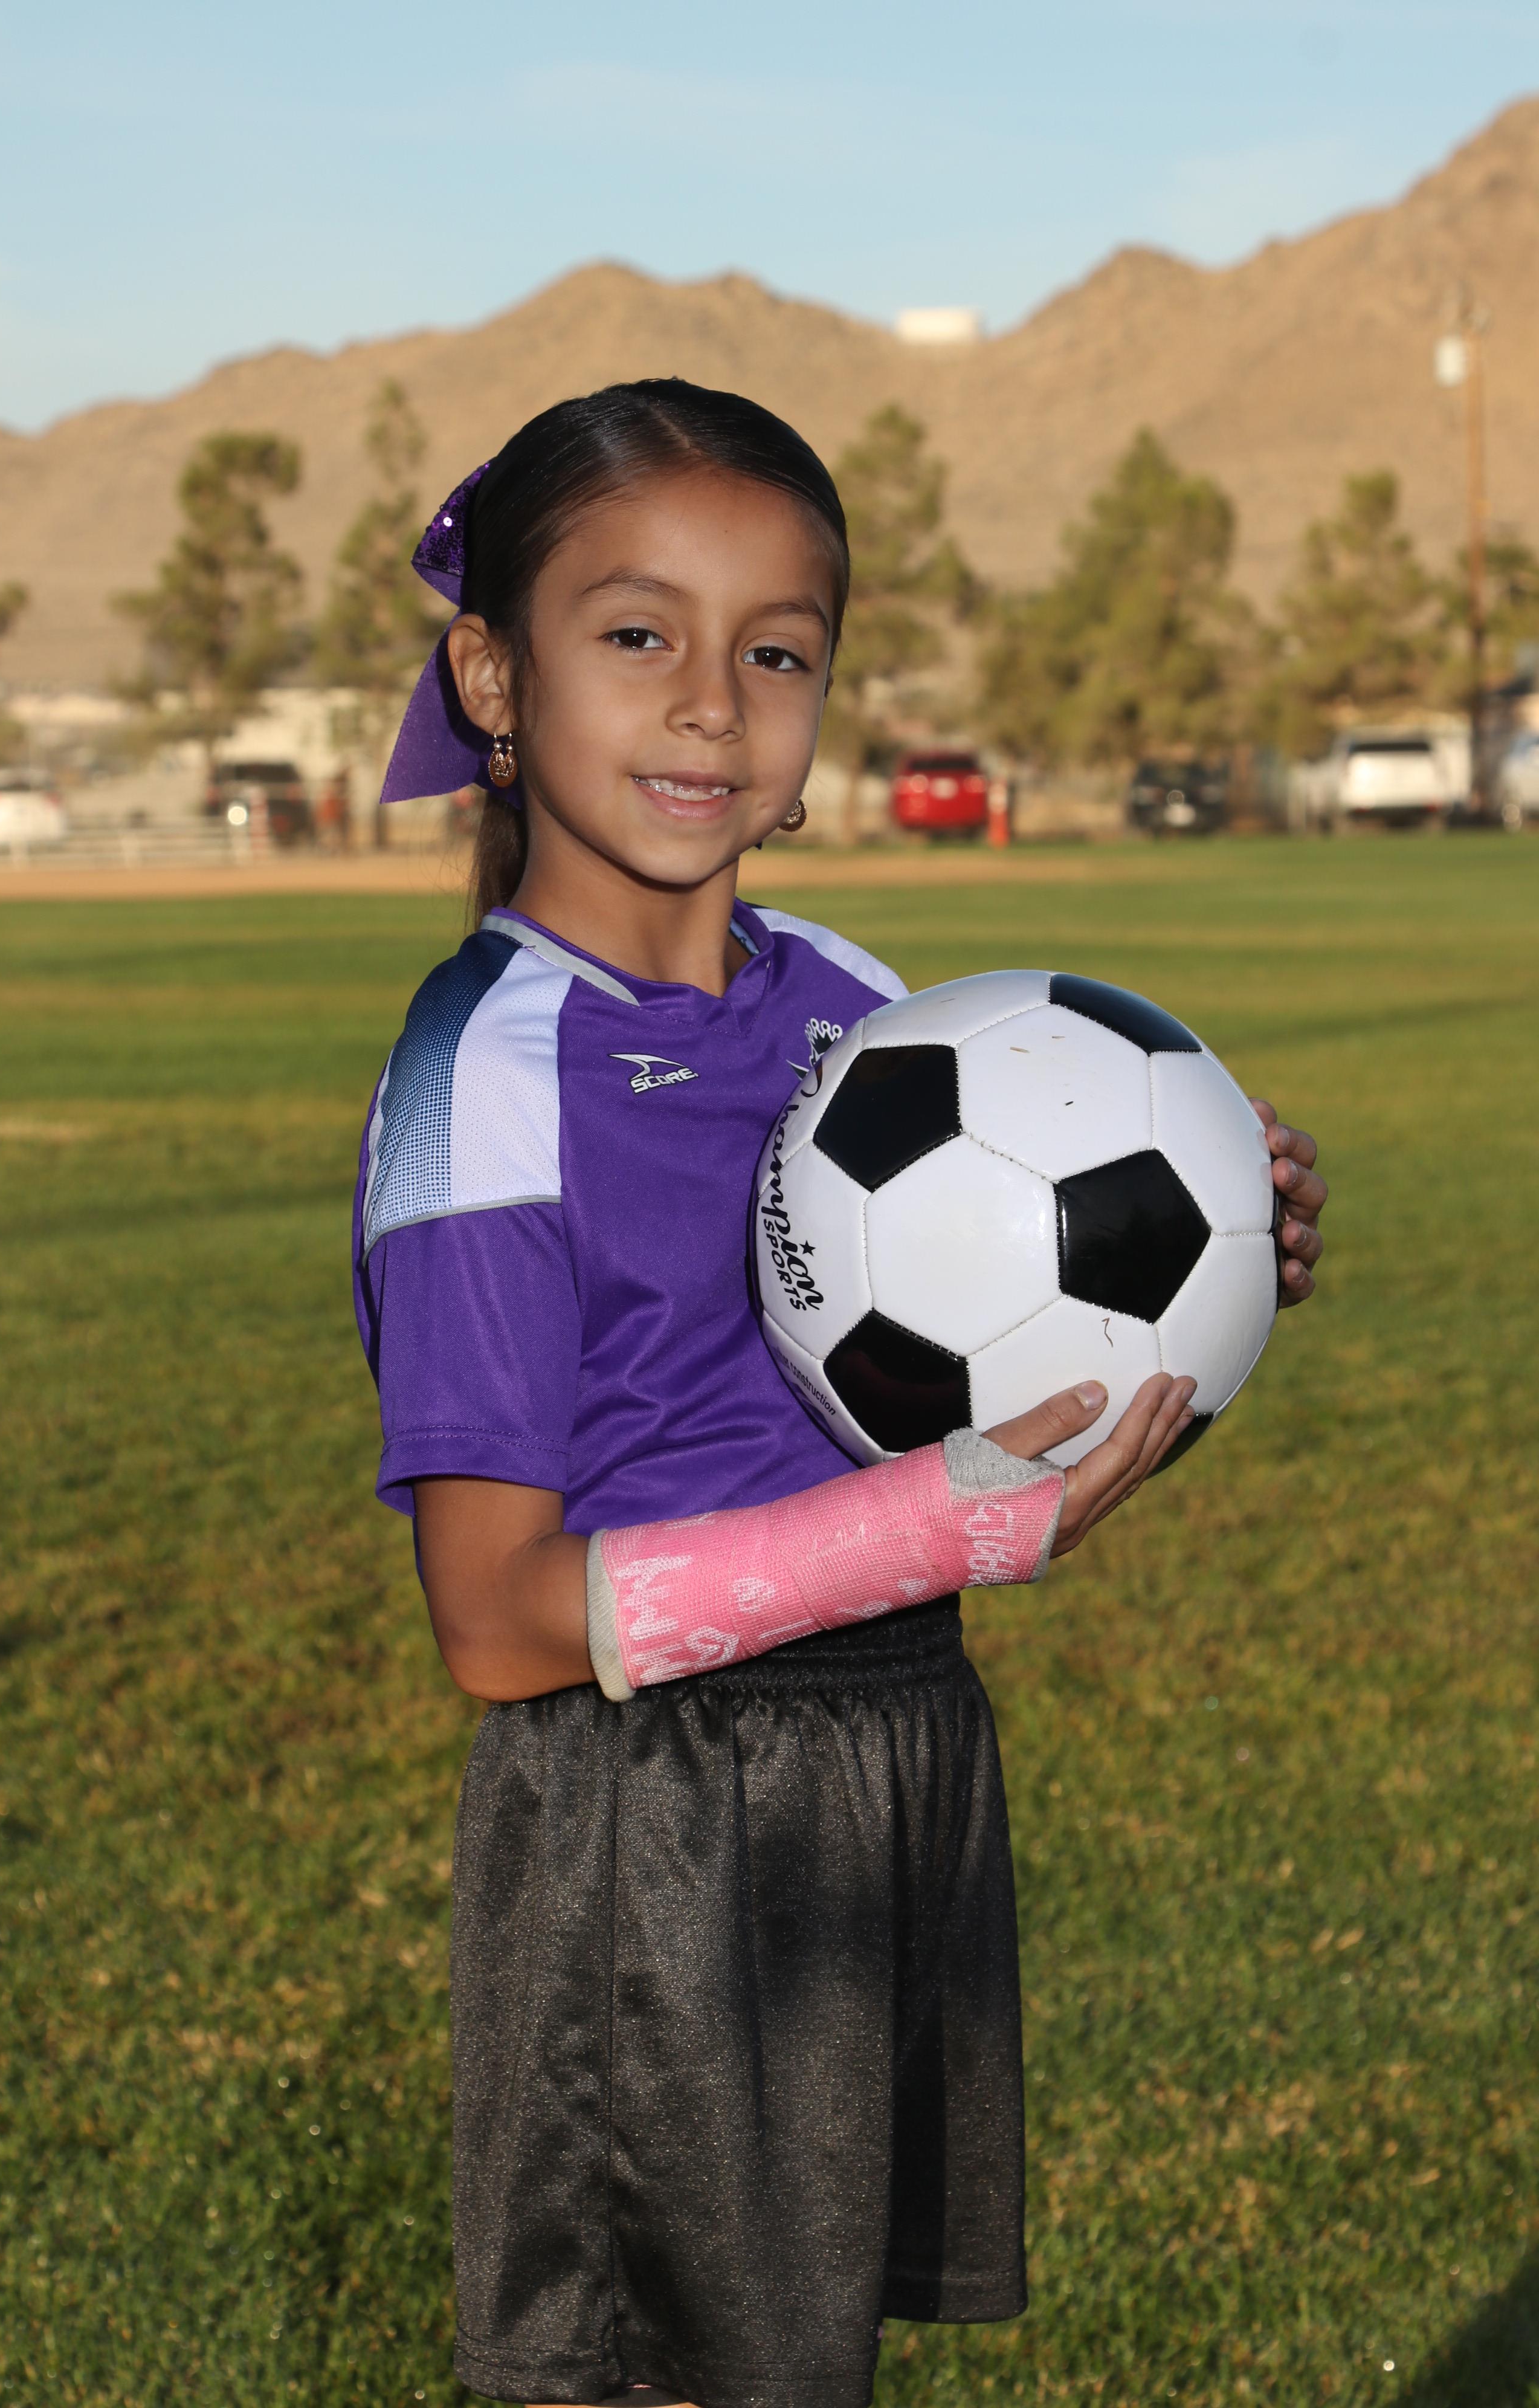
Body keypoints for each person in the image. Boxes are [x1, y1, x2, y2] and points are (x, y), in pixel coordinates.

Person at [352, 380, 1328, 2408]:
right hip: (657, 1813)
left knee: (810, 2365)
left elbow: (964, 1409)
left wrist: (1198, 1278)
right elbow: (493, 1624)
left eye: (778, 653)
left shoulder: (860, 1006)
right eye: (639, 633)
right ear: (496, 677)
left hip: (895, 1757)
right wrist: (928, 1527)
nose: (713, 704)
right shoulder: (488, 1073)